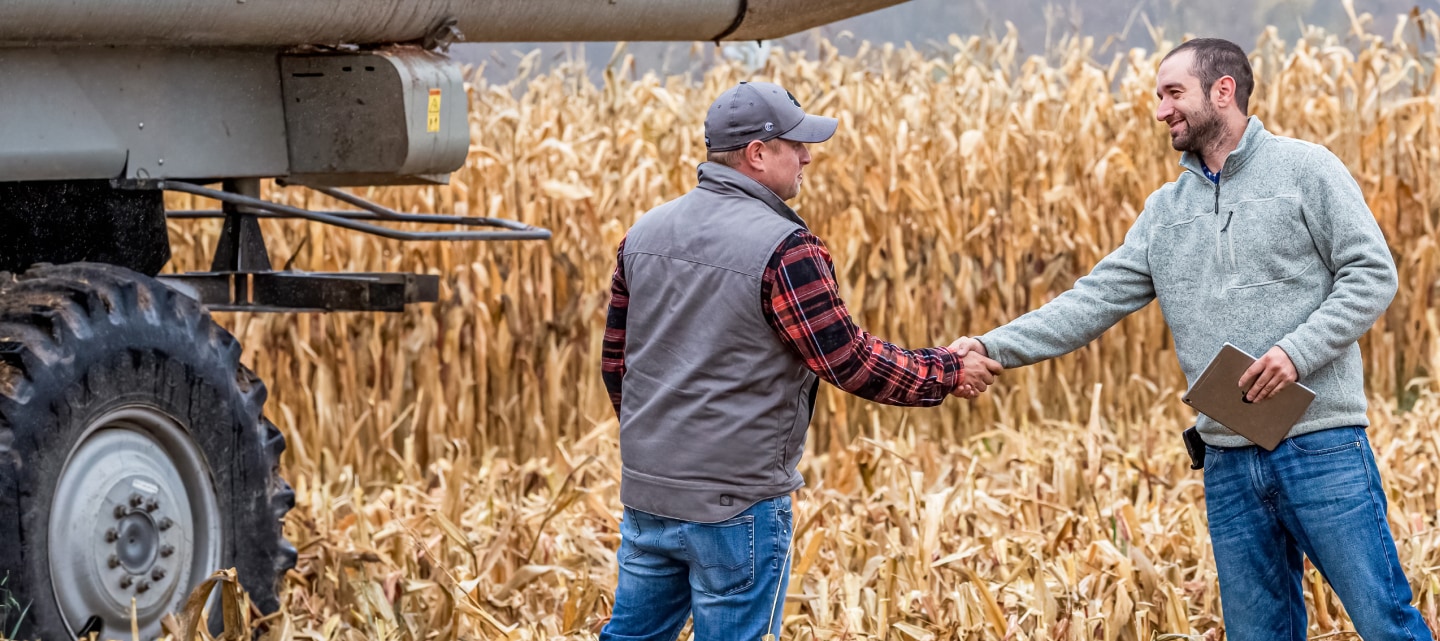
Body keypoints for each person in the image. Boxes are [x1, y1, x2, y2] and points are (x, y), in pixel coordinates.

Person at [958, 38, 1431, 640]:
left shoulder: (1307, 170)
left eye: (1173, 93)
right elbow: (1090, 300)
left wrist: (1294, 353)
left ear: (1223, 91)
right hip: (1228, 461)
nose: (1161, 110)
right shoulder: (1164, 212)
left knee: (1386, 623)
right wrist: (989, 347)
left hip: (1320, 446)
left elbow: (1372, 274)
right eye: (1160, 96)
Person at [598, 81, 1002, 641]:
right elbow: (849, 360)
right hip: (735, 504)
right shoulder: (785, 247)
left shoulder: (642, 233)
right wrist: (949, 370)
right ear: (758, 154)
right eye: (796, 144)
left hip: (648, 494)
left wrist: (663, 451)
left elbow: (616, 364)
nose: (808, 156)